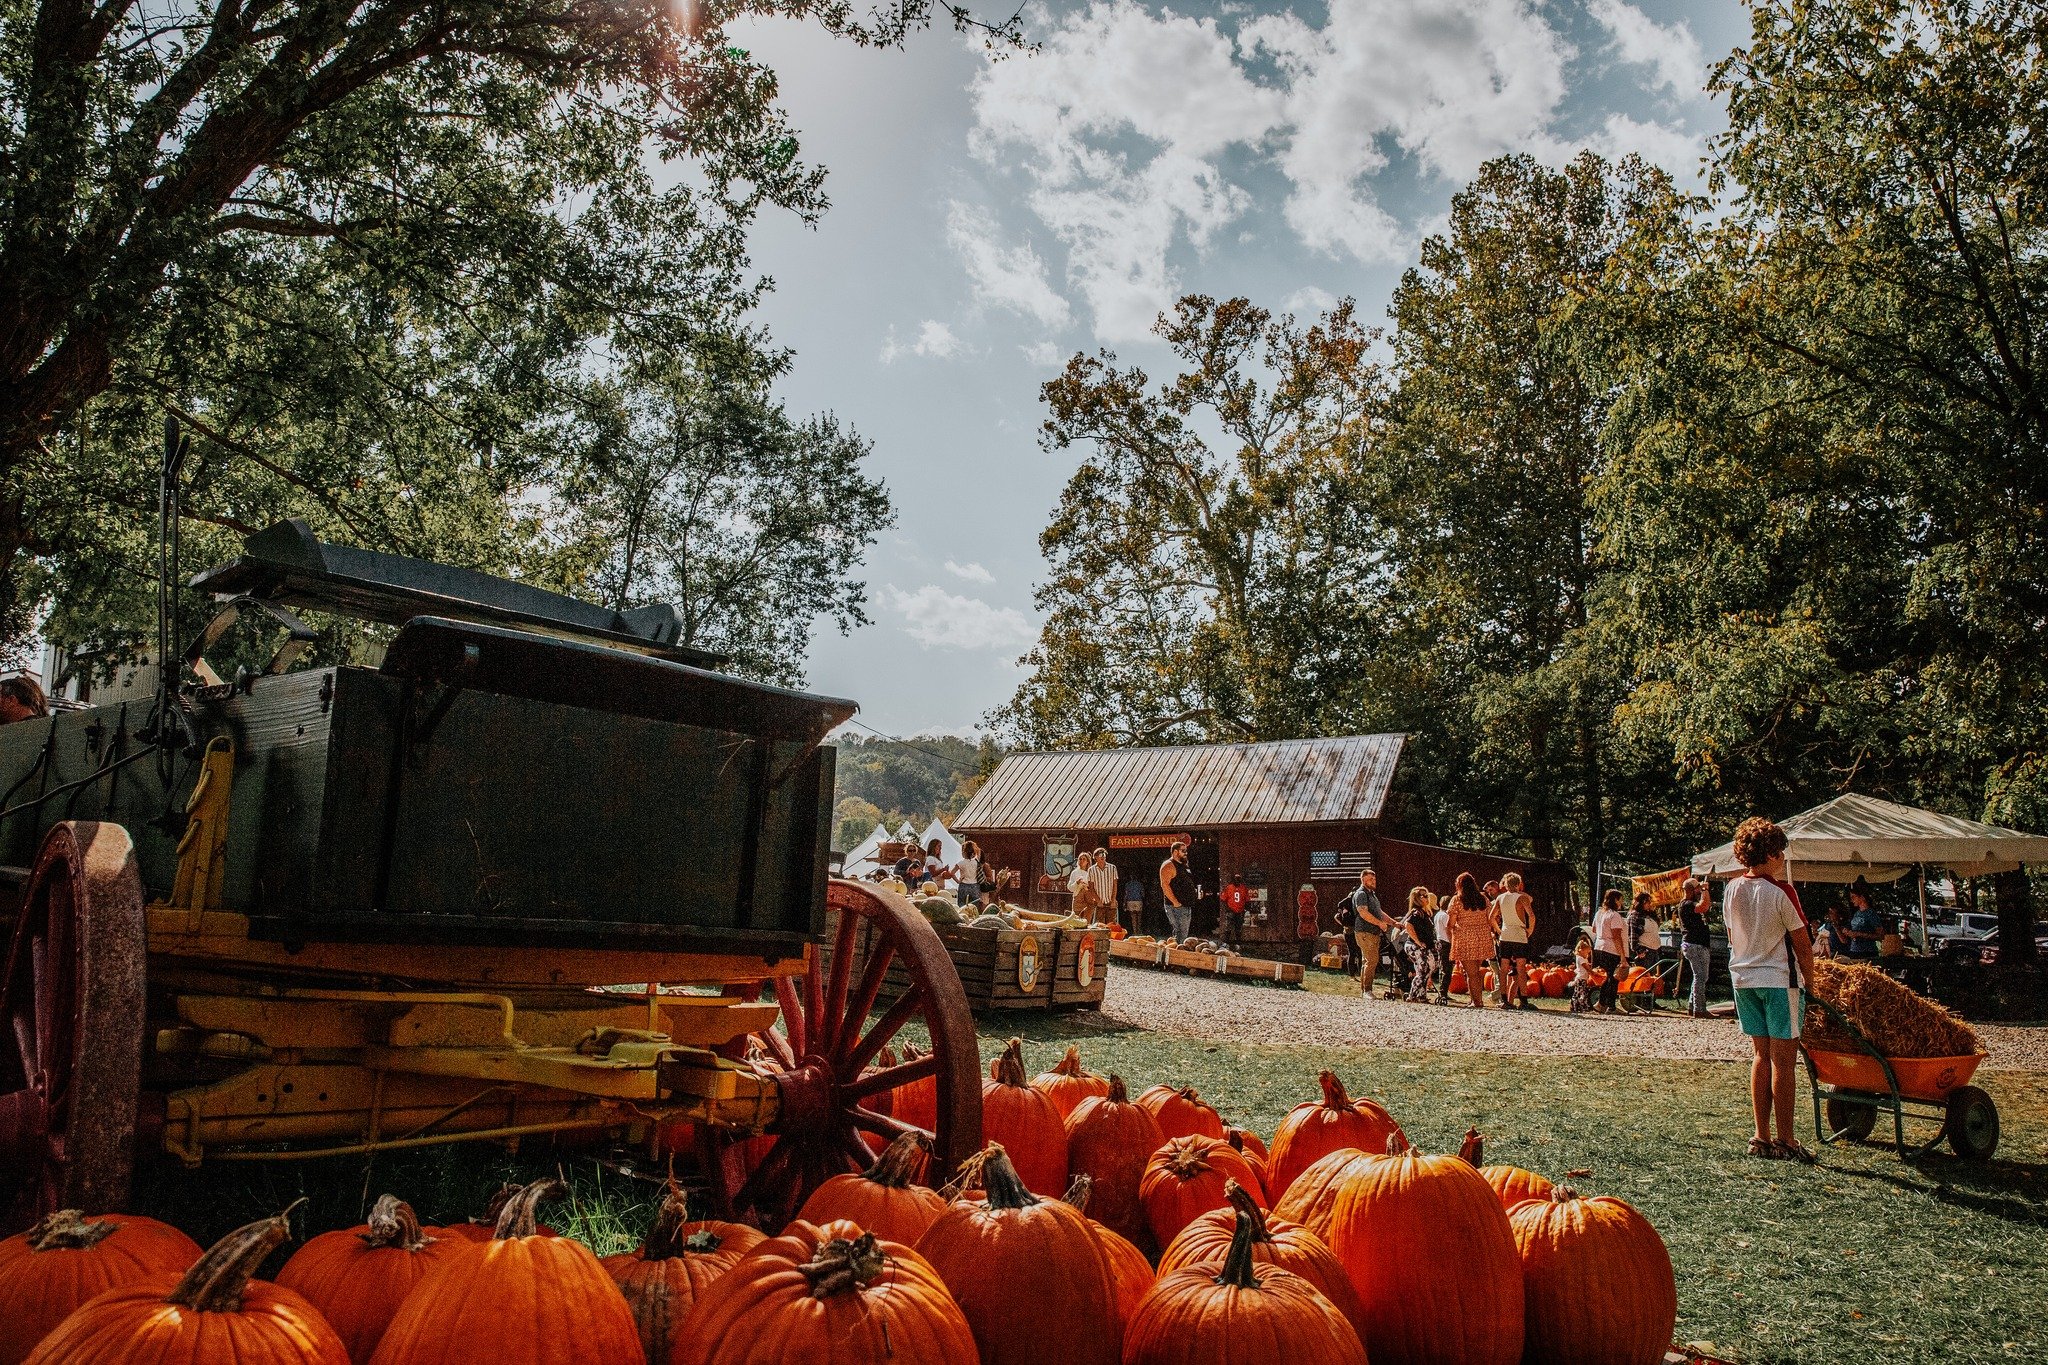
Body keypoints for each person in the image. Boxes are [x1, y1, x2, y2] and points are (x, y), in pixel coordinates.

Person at [1723, 816, 1818, 1162]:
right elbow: (1802, 943)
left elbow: (1734, 936)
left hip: (1744, 980)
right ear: (1773, 853)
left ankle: (1760, 1136)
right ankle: (1787, 1140)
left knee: (1760, 1057)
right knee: (1784, 1062)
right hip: (1779, 981)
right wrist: (1813, 980)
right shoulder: (1781, 891)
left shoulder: (1731, 889)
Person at [1445, 872, 1494, 1009]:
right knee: (1476, 971)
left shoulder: (1457, 900)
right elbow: (1491, 917)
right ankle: (1477, 1000)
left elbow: (1451, 922)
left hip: (1465, 937)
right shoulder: (1483, 898)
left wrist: (1453, 930)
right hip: (1482, 936)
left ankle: (1477, 1002)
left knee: (1471, 973)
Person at [1340, 870, 1391, 996]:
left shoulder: (1372, 895)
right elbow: (1363, 912)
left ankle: (1365, 990)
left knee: (1368, 960)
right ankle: (1367, 990)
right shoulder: (1361, 894)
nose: (1373, 881)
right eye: (1370, 879)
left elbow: (1379, 912)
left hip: (1372, 932)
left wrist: (1394, 923)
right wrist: (1379, 924)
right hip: (1364, 931)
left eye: (1374, 879)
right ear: (1363, 880)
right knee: (1371, 960)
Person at [1492, 873, 1535, 1010]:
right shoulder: (1522, 897)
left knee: (1503, 969)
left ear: (1505, 885)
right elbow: (1531, 915)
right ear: (1518, 884)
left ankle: (1505, 1000)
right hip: (1519, 934)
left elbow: (1491, 917)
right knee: (1521, 968)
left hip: (1505, 934)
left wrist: (1498, 930)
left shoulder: (1500, 898)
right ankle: (1523, 1000)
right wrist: (1530, 930)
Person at [1395, 887, 1439, 1003]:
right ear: (1416, 899)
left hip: (1424, 946)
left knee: (1428, 969)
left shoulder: (1425, 912)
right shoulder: (1416, 912)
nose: (1425, 898)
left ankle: (1421, 995)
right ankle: (1412, 995)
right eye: (1422, 896)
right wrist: (1418, 942)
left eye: (1426, 895)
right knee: (1423, 971)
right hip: (1416, 946)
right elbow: (1408, 926)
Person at [1679, 877, 1714, 1018]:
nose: (1700, 890)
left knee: (1699, 976)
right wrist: (1705, 889)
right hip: (1695, 944)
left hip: (1695, 944)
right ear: (1692, 890)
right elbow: (1704, 906)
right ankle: (1699, 1009)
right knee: (1700, 976)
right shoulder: (1687, 904)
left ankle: (1692, 1006)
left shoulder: (1687, 904)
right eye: (1698, 888)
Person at [1591, 888, 1629, 1013]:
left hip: (1599, 946)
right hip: (1612, 949)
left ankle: (1603, 1004)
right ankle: (1608, 1005)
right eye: (1620, 900)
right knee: (1613, 978)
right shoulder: (1615, 915)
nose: (1621, 902)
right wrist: (1623, 956)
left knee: (1609, 977)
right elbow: (1616, 936)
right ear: (1615, 900)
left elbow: (1594, 930)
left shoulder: (1599, 913)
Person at [1160, 841, 1196, 942]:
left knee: (1184, 933)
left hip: (1186, 905)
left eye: (1186, 851)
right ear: (1175, 852)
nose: (1186, 853)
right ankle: (1176, 955)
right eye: (1183, 851)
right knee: (1179, 934)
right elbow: (1164, 885)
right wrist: (1175, 902)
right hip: (1176, 906)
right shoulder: (1168, 865)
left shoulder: (1184, 864)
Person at [1838, 879, 1883, 959]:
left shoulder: (1871, 914)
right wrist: (1848, 932)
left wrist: (1859, 934)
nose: (1851, 900)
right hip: (1854, 950)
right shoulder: (1857, 913)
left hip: (1867, 952)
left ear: (1862, 897)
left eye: (1853, 897)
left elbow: (1880, 936)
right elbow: (1854, 930)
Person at [1070, 851, 1102, 922]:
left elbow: (1096, 886)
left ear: (1087, 861)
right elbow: (1070, 888)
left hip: (1088, 899)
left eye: (1083, 859)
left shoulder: (1091, 873)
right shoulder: (1074, 873)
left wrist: (1087, 887)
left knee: (1086, 921)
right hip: (1078, 897)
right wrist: (1076, 883)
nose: (1081, 861)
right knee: (1076, 920)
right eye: (1080, 859)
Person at [1433, 892, 1453, 1002]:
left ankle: (1443, 990)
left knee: (1443, 967)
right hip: (1446, 942)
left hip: (1439, 941)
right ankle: (1443, 992)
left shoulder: (1437, 915)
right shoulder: (1445, 916)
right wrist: (1453, 942)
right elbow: (1448, 930)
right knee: (1447, 969)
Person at [1090, 848, 1118, 926]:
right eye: (1100, 855)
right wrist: (1098, 900)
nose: (1102, 856)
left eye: (1104, 854)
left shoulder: (1112, 868)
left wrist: (1113, 900)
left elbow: (1115, 885)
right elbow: (1091, 888)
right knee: (1100, 925)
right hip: (1099, 903)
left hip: (1110, 902)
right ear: (1095, 857)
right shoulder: (1091, 870)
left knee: (1112, 925)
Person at [1295, 883, 1321, 968]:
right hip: (1307, 930)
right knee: (1306, 946)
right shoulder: (1305, 907)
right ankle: (1305, 961)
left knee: (1306, 946)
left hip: (1307, 930)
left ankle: (1305, 961)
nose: (1308, 899)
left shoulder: (1308, 907)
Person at [1569, 936, 1597, 1013]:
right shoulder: (1580, 958)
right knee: (1580, 993)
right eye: (1587, 952)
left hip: (1583, 979)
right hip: (1580, 979)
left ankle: (1579, 1007)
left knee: (1581, 993)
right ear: (1581, 950)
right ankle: (1578, 1007)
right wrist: (1592, 972)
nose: (1587, 954)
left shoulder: (1583, 958)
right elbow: (1586, 967)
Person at [954, 839, 983, 907]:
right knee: (974, 907)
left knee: (962, 906)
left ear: (964, 852)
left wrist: (958, 881)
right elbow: (979, 851)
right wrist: (972, 844)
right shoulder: (976, 862)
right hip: (975, 885)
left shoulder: (961, 863)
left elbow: (952, 873)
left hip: (963, 885)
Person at [1221, 875, 1248, 946]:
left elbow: (1247, 900)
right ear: (1233, 880)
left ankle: (1238, 943)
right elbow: (1223, 899)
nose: (1237, 880)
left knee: (1238, 927)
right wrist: (1227, 908)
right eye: (1236, 879)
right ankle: (1226, 943)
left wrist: (1244, 909)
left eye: (1238, 879)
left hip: (1240, 910)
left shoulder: (1243, 888)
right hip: (1231, 910)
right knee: (1228, 927)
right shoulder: (1229, 888)